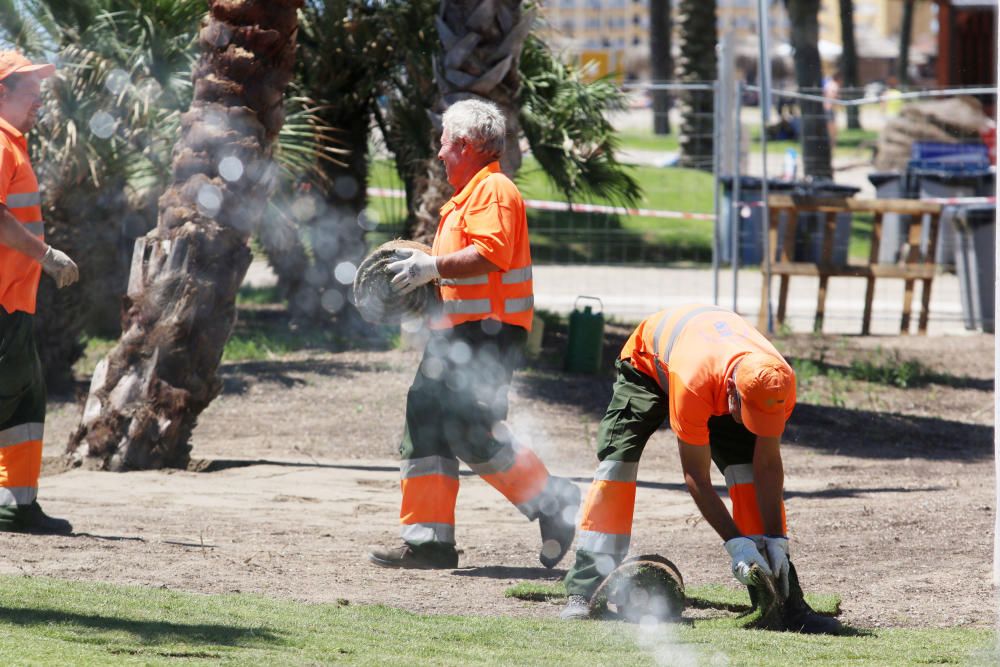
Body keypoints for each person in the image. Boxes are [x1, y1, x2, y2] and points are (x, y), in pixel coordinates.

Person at [367, 99, 580, 570]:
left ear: (464, 145)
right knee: (427, 418)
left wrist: (431, 267)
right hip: (463, 334)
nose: (440, 154)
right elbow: (462, 275)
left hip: (488, 335)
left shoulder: (493, 190)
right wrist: (424, 286)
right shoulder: (469, 197)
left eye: (444, 143)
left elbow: (492, 253)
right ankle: (428, 543)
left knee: (469, 428)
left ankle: (552, 500)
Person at [559, 304, 841, 634]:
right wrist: (735, 544)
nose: (745, 424)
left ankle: (786, 603)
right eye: (745, 413)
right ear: (733, 394)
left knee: (748, 475)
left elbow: (766, 464)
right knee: (617, 467)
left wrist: (778, 538)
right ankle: (585, 589)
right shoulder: (693, 382)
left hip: (719, 370)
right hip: (649, 365)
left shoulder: (778, 382)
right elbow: (696, 476)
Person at [0, 51, 80, 534]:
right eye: (30, 92)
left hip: (14, 301)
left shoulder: (14, 144)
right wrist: (46, 255)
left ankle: (16, 504)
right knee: (8, 395)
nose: (39, 102)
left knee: (25, 400)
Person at [823, 72, 841, 151]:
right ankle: (832, 145)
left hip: (826, 108)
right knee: (832, 128)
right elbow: (833, 96)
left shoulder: (827, 84)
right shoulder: (834, 85)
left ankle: (830, 144)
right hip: (830, 108)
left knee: (828, 127)